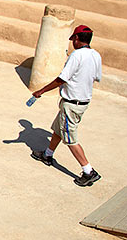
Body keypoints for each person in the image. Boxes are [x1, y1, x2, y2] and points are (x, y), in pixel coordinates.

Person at [30, 24, 102, 187]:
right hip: (81, 103)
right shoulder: (96, 56)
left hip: (72, 105)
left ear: (76, 39)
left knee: (70, 139)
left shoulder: (76, 56)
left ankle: (88, 171)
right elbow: (96, 77)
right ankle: (47, 155)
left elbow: (62, 78)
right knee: (58, 129)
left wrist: (40, 91)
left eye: (73, 40)